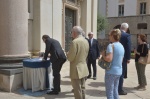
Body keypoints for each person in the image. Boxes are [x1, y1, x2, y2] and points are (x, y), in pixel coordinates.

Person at [67, 26, 89, 99]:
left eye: (71, 32)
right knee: (82, 88)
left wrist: (68, 54)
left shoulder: (75, 42)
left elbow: (71, 58)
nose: (71, 34)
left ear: (74, 33)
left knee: (77, 89)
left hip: (76, 69)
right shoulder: (86, 40)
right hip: (84, 67)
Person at [101, 29, 124, 99]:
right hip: (119, 71)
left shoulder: (111, 46)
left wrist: (103, 55)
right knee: (115, 90)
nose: (109, 37)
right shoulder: (121, 46)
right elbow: (122, 60)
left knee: (109, 92)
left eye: (109, 35)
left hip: (111, 71)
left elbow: (109, 58)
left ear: (113, 36)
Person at [118, 23, 131, 95]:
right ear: (126, 28)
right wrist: (128, 58)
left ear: (120, 27)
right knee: (121, 73)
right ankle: (119, 89)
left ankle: (115, 88)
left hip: (115, 57)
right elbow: (128, 47)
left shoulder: (115, 34)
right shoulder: (127, 36)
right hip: (123, 57)